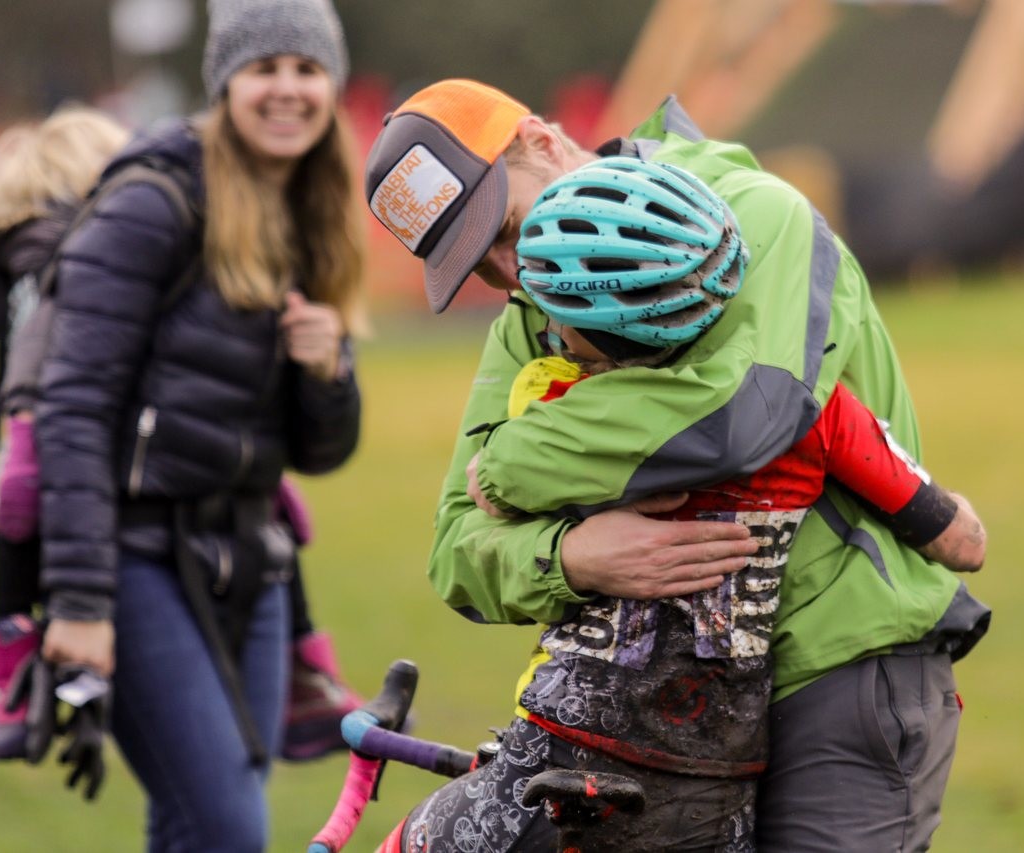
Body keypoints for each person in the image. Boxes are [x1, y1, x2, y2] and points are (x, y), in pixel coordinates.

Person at [362, 79, 991, 850]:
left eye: (508, 227)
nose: (515, 275)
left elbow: (745, 415)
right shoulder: (531, 309)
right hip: (664, 727)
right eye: (481, 267)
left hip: (842, 668)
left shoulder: (754, 211)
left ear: (541, 140)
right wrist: (571, 557)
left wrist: (507, 463)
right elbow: (456, 549)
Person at [28, 0, 362, 846]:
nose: (287, 89)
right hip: (136, 558)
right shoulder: (155, 200)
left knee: (203, 820)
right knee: (224, 825)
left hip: (250, 562)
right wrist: (77, 599)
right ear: (224, 81)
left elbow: (320, 452)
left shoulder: (310, 211)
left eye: (307, 68)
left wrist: (326, 370)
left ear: (331, 84)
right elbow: (69, 403)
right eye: (265, 68)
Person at [0, 104, 362, 770]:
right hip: (136, 524)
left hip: (191, 513)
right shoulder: (76, 265)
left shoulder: (45, 269)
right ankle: (304, 662)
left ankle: (11, 647)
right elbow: (53, 407)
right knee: (215, 812)